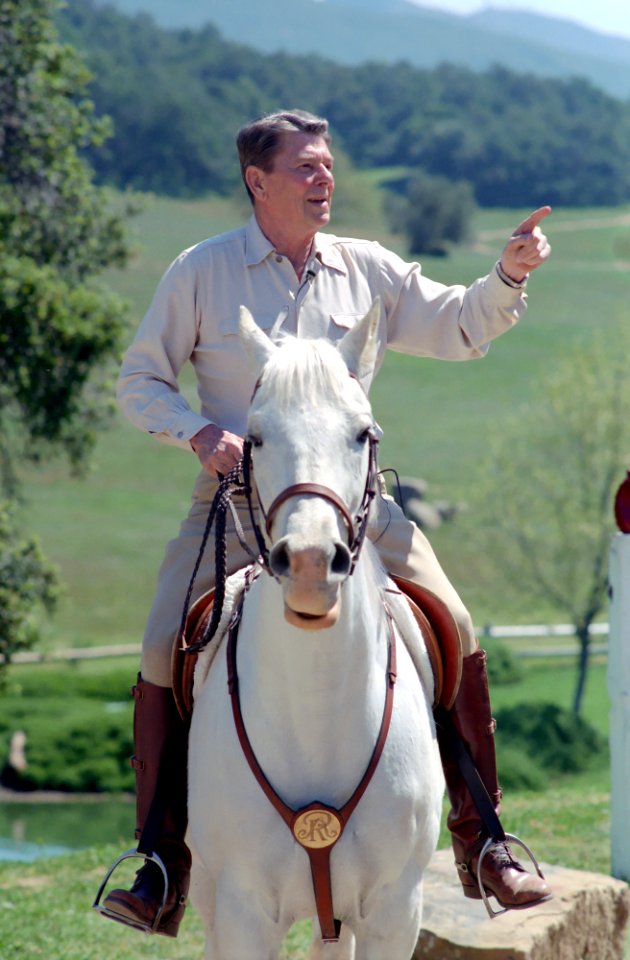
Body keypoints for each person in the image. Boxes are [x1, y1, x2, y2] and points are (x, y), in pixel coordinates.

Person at [99, 109, 552, 937]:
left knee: (453, 620)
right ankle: (162, 859)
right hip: (236, 506)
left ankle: (484, 840)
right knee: (163, 641)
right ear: (257, 181)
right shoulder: (202, 272)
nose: (324, 180)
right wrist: (200, 434)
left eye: (328, 166)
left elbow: (458, 322)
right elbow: (139, 379)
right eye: (305, 167)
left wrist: (508, 275)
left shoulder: (364, 267)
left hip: (359, 508)